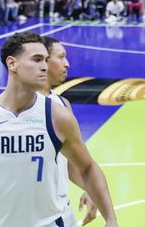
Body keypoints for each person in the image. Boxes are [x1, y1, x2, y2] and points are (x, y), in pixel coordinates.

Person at [0, 32, 118, 227]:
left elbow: (87, 167)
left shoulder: (57, 116)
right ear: (12, 64)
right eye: (36, 60)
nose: (44, 66)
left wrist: (110, 218)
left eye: (45, 60)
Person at [41, 36, 99, 226]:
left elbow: (70, 160)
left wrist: (89, 188)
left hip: (59, 212)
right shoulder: (15, 106)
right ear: (43, 60)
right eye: (61, 57)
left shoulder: (62, 104)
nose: (67, 64)